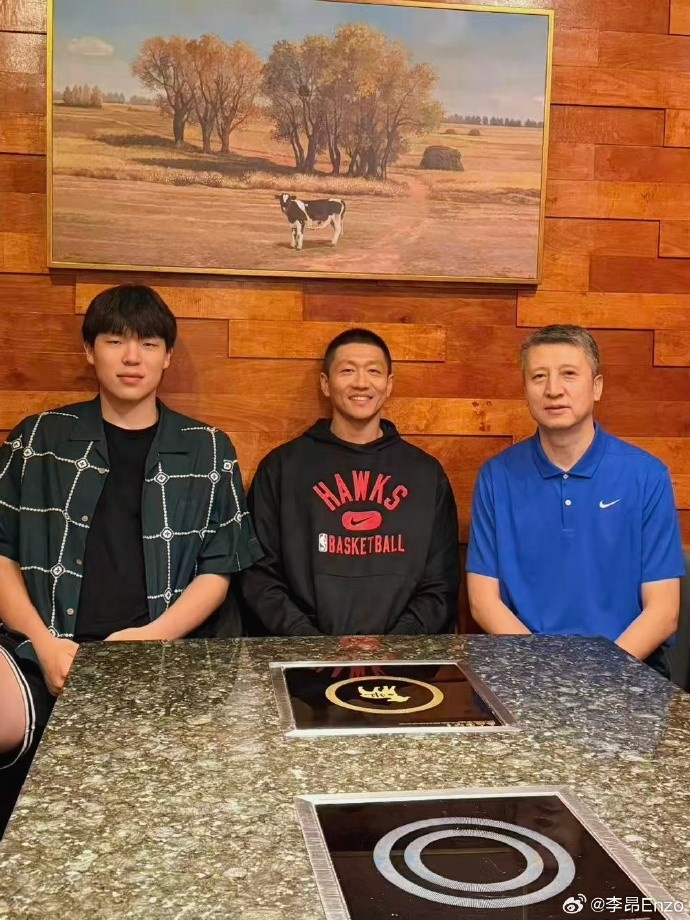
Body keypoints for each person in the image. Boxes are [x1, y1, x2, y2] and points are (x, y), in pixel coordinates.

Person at [0, 284, 261, 799]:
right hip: (42, 647)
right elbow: (2, 552)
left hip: (166, 654)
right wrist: (45, 645)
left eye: (148, 343)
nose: (132, 357)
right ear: (89, 350)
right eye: (115, 341)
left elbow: (219, 569)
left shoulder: (208, 447)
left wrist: (153, 638)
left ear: (167, 357)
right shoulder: (39, 438)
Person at [466, 324, 684, 675]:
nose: (553, 390)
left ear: (596, 386)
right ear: (525, 390)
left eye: (568, 374)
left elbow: (663, 612)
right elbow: (483, 602)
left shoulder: (647, 475)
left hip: (628, 667)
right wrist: (545, 673)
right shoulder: (496, 476)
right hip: (527, 667)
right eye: (539, 376)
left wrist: (597, 677)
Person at [237, 327, 460, 636]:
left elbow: (441, 584)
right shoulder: (281, 468)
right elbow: (259, 576)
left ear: (388, 385)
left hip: (402, 659)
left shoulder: (426, 474)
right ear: (325, 384)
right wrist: (310, 644)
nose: (361, 382)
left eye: (373, 371)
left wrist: (395, 648)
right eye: (347, 371)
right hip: (302, 657)